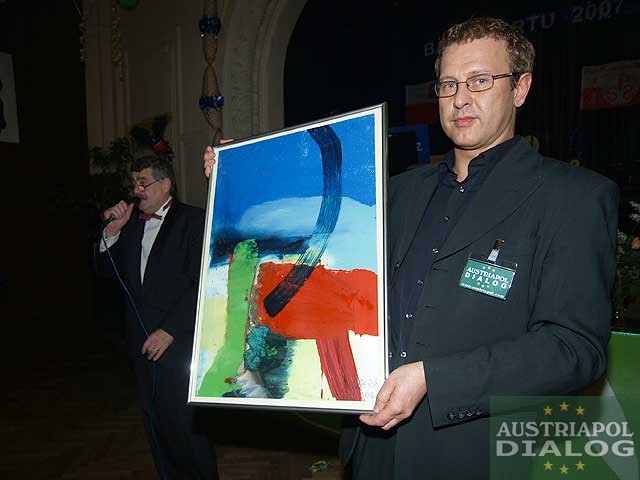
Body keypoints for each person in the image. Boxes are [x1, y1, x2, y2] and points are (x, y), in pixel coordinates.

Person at [203, 17, 618, 479]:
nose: (461, 99)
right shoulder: (397, 192)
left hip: (469, 456)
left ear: (520, 88)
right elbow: (317, 228)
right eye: (448, 84)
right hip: (372, 447)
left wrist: (433, 381)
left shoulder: (572, 198)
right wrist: (240, 172)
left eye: (480, 80)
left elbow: (574, 349)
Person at [97, 154, 218, 479]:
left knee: (185, 427)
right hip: (140, 344)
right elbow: (106, 273)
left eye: (143, 182)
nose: (136, 190)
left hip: (179, 345)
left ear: (166, 184)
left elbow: (202, 282)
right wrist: (112, 231)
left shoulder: (194, 220)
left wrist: (169, 330)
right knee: (155, 425)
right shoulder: (131, 225)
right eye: (133, 183)